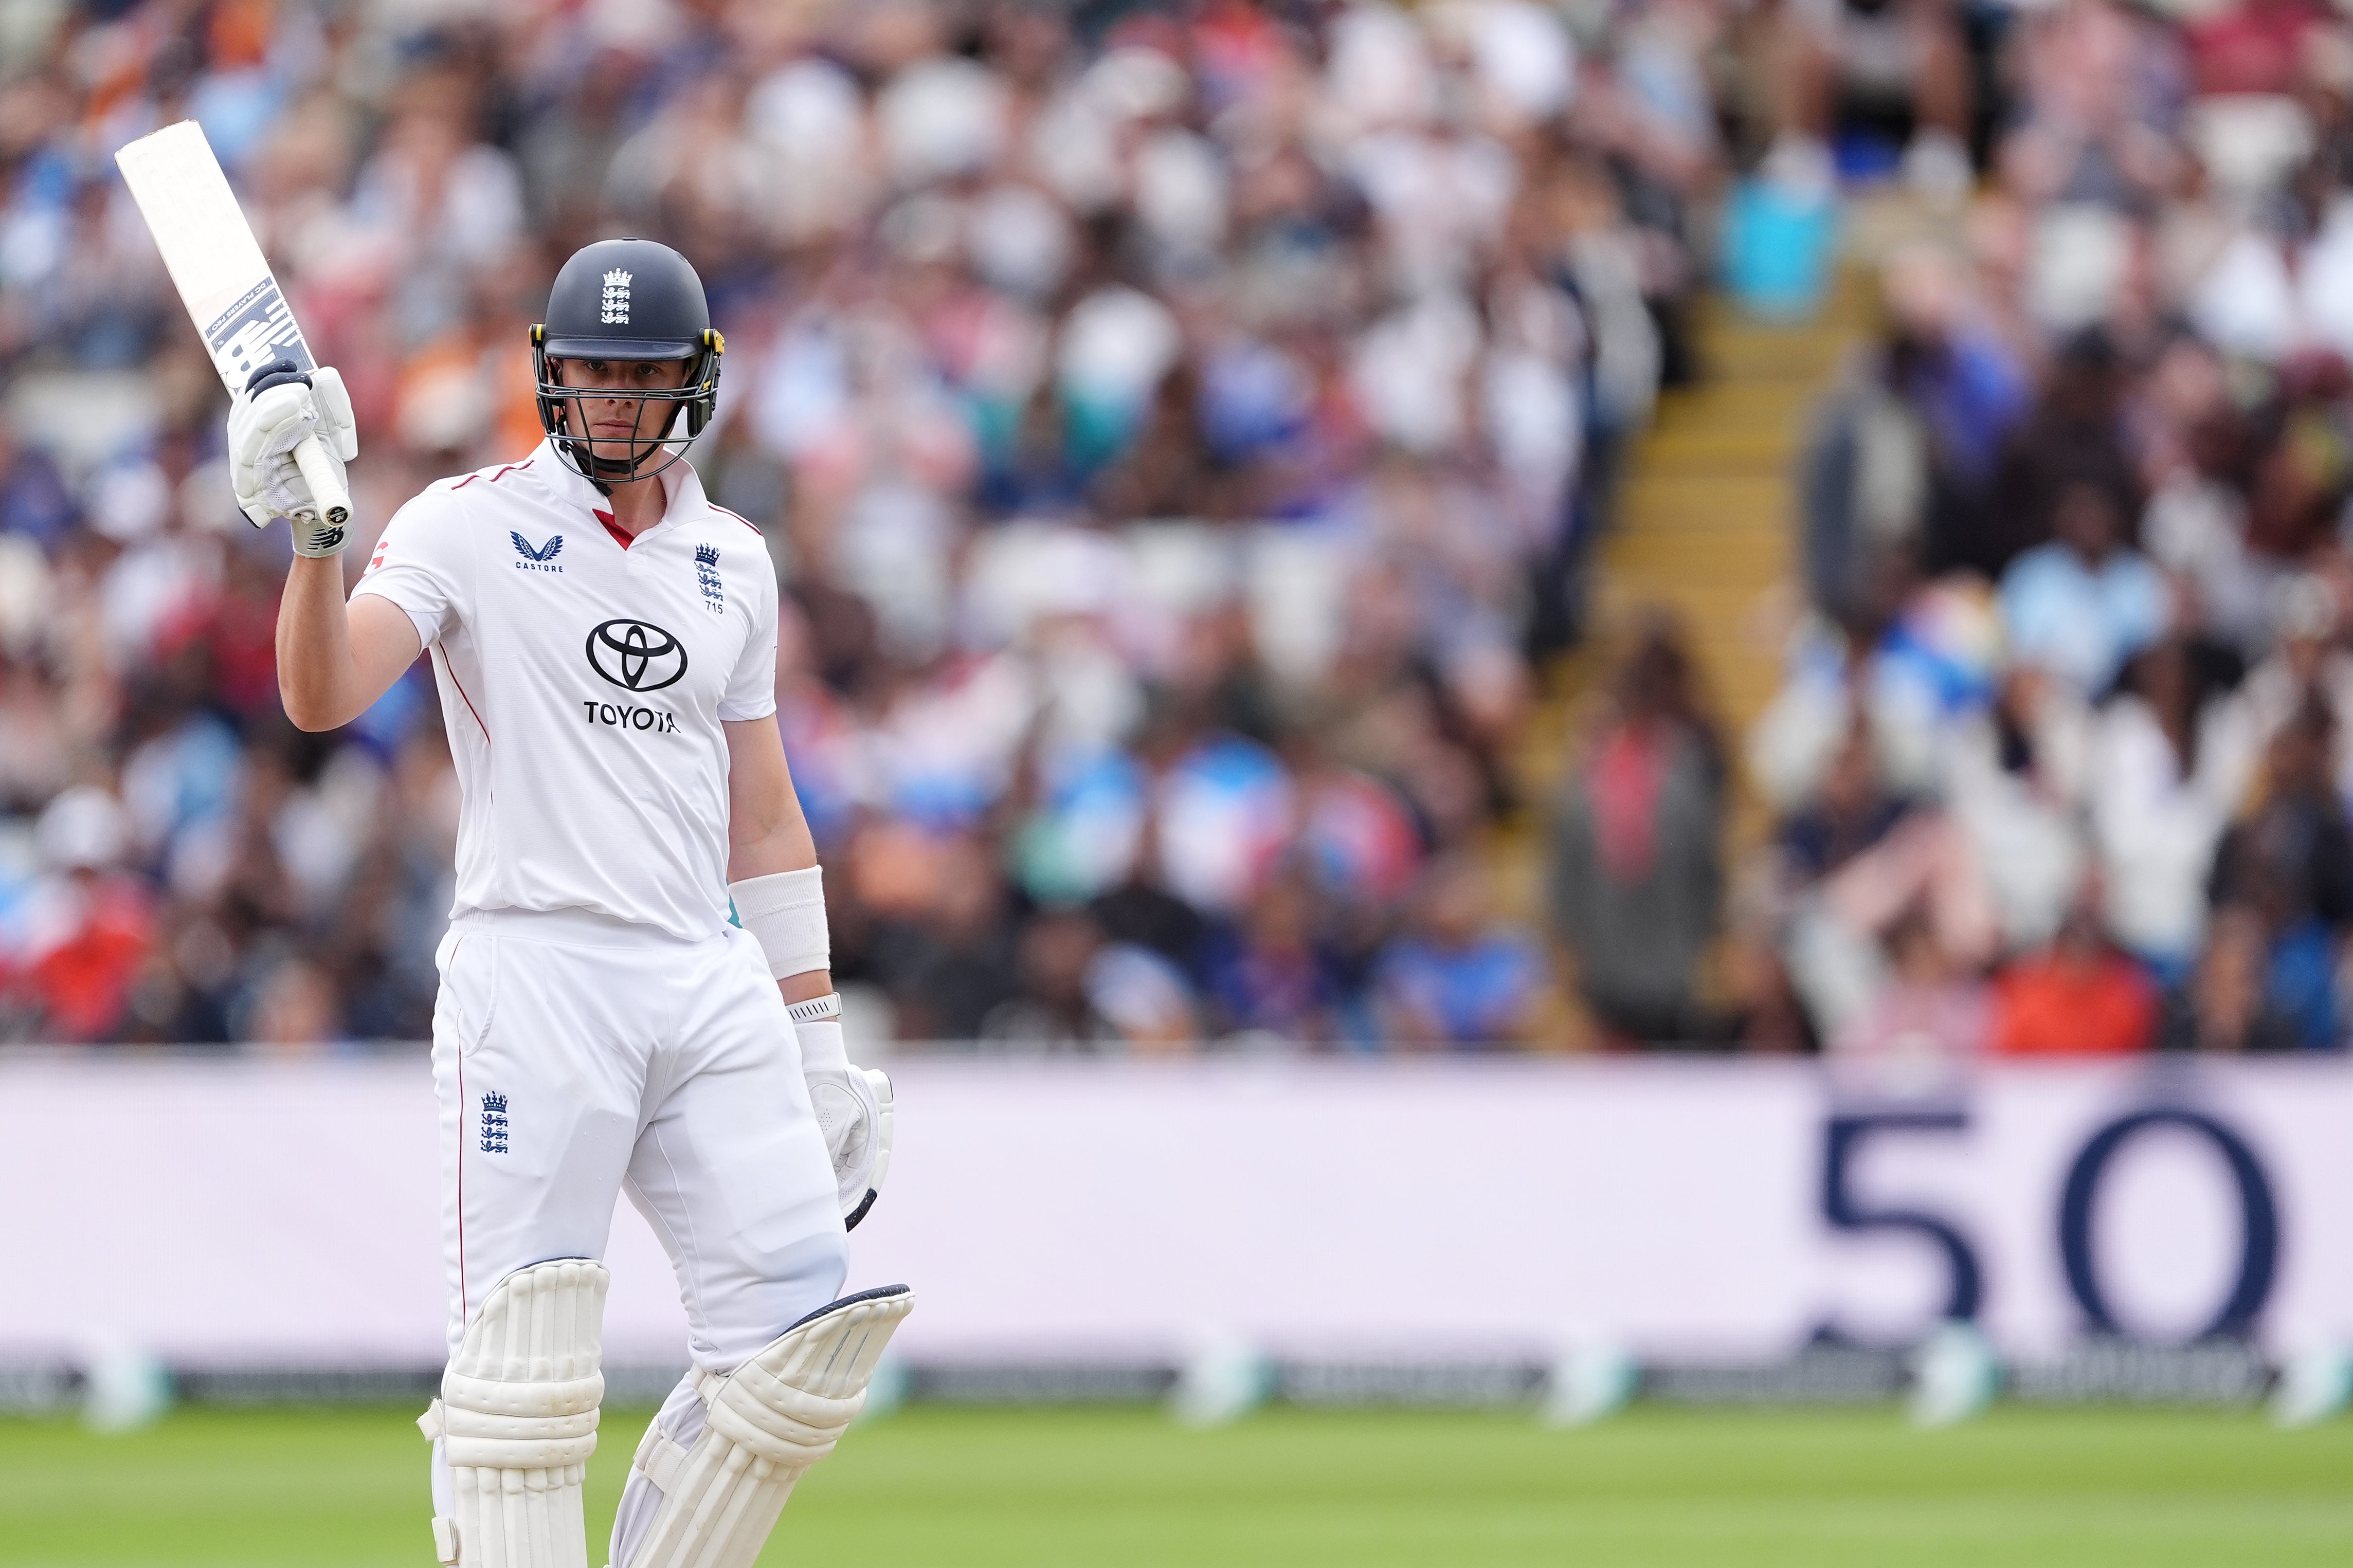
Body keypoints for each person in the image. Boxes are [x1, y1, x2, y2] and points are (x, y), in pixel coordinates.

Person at [235, 238, 910, 1568]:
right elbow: (321, 695)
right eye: (593, 371)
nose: (613, 399)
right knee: (520, 1381)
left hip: (705, 973)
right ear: (550, 374)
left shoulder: (735, 560)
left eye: (641, 374)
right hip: (536, 972)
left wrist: (817, 1037)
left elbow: (765, 817)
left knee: (799, 1342)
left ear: (694, 382)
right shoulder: (464, 524)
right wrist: (317, 543)